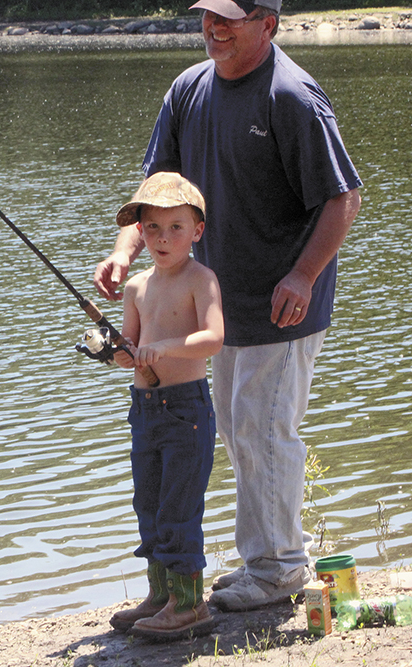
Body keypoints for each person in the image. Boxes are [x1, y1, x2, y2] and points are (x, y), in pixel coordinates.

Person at [94, 0, 362, 613]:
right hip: (217, 305)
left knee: (263, 431)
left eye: (231, 19)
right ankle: (263, 560)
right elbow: (158, 189)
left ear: (267, 24)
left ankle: (277, 569)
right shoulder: (189, 88)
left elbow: (342, 198)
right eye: (209, 17)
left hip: (282, 302)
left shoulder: (291, 96)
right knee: (241, 434)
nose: (215, 28)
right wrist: (124, 251)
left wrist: (303, 273)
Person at [105, 172, 224, 640]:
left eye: (175, 227)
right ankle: (160, 596)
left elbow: (213, 339)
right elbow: (131, 344)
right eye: (152, 229)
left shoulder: (201, 279)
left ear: (197, 230)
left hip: (186, 411)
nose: (162, 238)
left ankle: (190, 604)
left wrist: (168, 347)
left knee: (179, 506)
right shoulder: (136, 286)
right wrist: (122, 354)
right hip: (144, 409)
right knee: (149, 503)